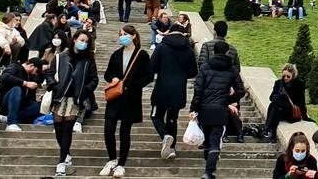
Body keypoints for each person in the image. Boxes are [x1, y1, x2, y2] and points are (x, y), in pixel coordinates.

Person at [99, 25, 154, 177]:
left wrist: (135, 85)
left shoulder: (141, 54)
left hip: (131, 97)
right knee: (108, 129)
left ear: (133, 36)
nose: (122, 36)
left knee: (125, 132)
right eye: (121, 34)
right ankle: (112, 159)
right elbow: (108, 73)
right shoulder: (116, 54)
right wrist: (113, 78)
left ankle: (121, 164)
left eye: (125, 34)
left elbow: (149, 75)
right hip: (115, 96)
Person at [189, 40, 246, 179]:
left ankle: (210, 169)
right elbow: (240, 91)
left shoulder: (204, 67)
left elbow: (198, 90)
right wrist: (227, 100)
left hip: (204, 108)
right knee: (215, 141)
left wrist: (193, 108)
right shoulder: (232, 70)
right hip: (220, 110)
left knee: (207, 140)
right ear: (227, 53)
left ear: (213, 52)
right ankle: (209, 171)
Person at [45, 30, 98, 177]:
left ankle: (61, 162)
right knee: (58, 127)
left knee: (67, 128)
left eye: (86, 42)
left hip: (76, 98)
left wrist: (85, 91)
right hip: (60, 96)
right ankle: (66, 153)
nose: (83, 43)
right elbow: (50, 73)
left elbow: (94, 79)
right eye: (81, 40)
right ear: (74, 39)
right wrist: (53, 85)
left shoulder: (88, 60)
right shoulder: (60, 57)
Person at [149, 23, 198, 161]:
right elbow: (193, 72)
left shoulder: (162, 47)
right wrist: (181, 75)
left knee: (156, 116)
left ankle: (165, 136)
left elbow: (152, 66)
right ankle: (172, 148)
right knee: (172, 119)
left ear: (170, 32)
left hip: (162, 87)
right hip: (179, 89)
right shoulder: (188, 50)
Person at [0, 57, 45, 132]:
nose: (36, 74)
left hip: (21, 106)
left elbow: (31, 99)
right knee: (17, 89)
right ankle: (11, 123)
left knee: (40, 106)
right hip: (7, 100)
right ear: (31, 66)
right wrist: (25, 83)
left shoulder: (31, 78)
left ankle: (9, 118)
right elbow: (5, 77)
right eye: (36, 71)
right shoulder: (15, 67)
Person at [260, 63, 308, 141]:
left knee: (276, 104)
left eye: (288, 76)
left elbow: (302, 101)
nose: (285, 78)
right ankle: (273, 135)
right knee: (277, 107)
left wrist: (305, 115)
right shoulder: (278, 83)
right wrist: (276, 96)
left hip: (291, 111)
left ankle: (267, 128)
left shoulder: (299, 84)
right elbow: (271, 97)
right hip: (280, 110)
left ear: (293, 75)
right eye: (284, 76)